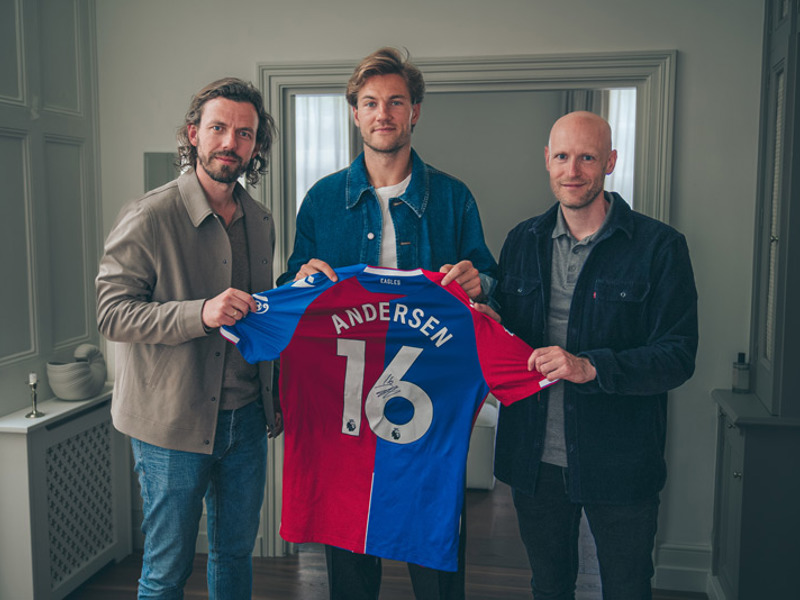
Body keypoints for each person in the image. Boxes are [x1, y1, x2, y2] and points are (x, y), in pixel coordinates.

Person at [277, 47, 496, 600]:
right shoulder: (323, 200)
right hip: (346, 407)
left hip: (430, 405)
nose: (383, 114)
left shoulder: (452, 196)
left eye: (396, 102)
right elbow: (290, 291)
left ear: (415, 111)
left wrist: (481, 284)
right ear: (354, 113)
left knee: (438, 552)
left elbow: (491, 282)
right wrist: (304, 280)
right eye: (370, 103)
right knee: (350, 553)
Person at [487, 111, 698, 599]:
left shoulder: (660, 247)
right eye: (562, 156)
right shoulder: (522, 240)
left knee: (626, 588)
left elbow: (678, 355)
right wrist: (487, 321)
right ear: (547, 160)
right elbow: (511, 336)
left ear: (610, 162)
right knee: (550, 586)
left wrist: (592, 366)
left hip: (620, 463)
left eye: (587, 157)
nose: (573, 170)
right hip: (533, 461)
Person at [96, 77, 282, 599]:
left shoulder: (261, 221)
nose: (230, 142)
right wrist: (200, 313)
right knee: (165, 573)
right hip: (170, 426)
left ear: (256, 146)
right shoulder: (149, 214)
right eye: (219, 128)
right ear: (193, 134)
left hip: (246, 423)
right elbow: (113, 314)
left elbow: (257, 318)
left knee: (234, 557)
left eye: (244, 134)